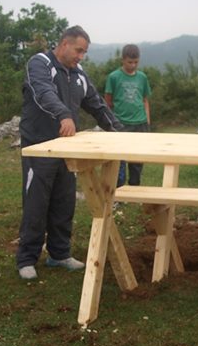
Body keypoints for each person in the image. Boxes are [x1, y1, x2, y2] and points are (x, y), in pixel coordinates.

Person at [17, 26, 121, 280]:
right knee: (36, 203)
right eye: (78, 50)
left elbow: (96, 104)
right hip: (40, 148)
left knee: (65, 201)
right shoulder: (40, 63)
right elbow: (43, 92)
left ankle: (59, 253)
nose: (81, 57)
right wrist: (63, 114)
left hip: (68, 150)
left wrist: (119, 131)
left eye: (84, 52)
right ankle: (26, 259)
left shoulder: (79, 74)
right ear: (64, 44)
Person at [105, 44, 152, 187]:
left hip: (140, 123)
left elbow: (145, 99)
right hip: (121, 124)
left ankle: (134, 190)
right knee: (119, 160)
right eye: (129, 62)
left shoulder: (142, 77)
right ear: (123, 60)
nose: (133, 65)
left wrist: (147, 121)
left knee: (137, 160)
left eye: (136, 62)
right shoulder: (114, 77)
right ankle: (118, 191)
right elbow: (107, 102)